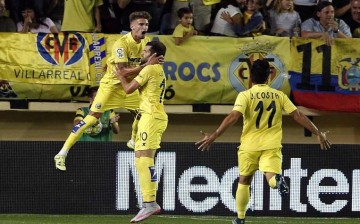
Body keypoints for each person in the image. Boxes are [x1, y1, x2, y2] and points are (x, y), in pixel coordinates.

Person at [195, 59, 331, 224]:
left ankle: (240, 218)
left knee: (244, 180)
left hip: (249, 146)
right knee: (271, 177)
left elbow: (233, 116)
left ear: (251, 78)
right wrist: (318, 133)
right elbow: (298, 115)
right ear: (269, 77)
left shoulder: (245, 95)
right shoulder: (279, 95)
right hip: (271, 145)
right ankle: (277, 181)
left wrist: (214, 135)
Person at [54, 11, 162, 172]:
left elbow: (136, 64)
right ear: (132, 26)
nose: (144, 27)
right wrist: (146, 65)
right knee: (91, 119)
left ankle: (133, 140)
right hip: (110, 87)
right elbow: (123, 71)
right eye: (141, 24)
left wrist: (156, 61)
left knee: (144, 114)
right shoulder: (121, 43)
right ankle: (62, 154)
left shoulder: (145, 43)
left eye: (146, 24)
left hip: (127, 87)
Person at [116, 41, 168, 223]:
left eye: (146, 51)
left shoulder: (150, 70)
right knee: (141, 159)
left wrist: (119, 75)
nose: (142, 53)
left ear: (154, 55)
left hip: (151, 117)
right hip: (151, 116)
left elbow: (128, 89)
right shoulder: (156, 70)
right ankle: (148, 202)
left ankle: (150, 203)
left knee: (145, 159)